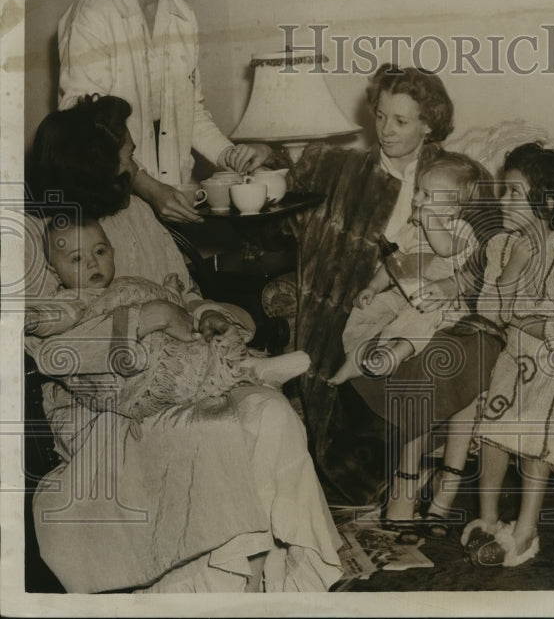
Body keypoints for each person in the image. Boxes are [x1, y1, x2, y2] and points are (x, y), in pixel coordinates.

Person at [24, 94, 342, 592]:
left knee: (271, 413)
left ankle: (290, 577)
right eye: (127, 155)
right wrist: (144, 318)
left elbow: (183, 293)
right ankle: (226, 583)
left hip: (188, 368)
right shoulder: (44, 236)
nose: (135, 165)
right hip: (106, 402)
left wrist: (206, 313)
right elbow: (44, 342)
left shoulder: (135, 213)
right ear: (93, 163)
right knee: (219, 432)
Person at [286, 63, 503, 508]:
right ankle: (395, 473)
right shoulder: (349, 173)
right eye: (380, 116)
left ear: (429, 125)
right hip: (371, 299)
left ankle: (426, 474)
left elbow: (491, 252)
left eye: (401, 121)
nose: (386, 130)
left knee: (435, 347)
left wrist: (457, 284)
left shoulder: (462, 175)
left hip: (448, 304)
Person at [58, 0, 270, 224]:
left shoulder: (182, 17)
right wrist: (149, 187)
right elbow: (85, 128)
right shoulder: (94, 13)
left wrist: (227, 154)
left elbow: (191, 111)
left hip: (174, 193)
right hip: (112, 199)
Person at [31, 215, 310, 421]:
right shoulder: (73, 300)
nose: (93, 262)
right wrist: (33, 318)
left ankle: (249, 367)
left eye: (100, 251)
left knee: (204, 345)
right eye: (77, 259)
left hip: (167, 348)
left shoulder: (127, 283)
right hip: (138, 377)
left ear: (112, 252)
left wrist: (171, 292)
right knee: (192, 361)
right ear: (56, 273)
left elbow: (165, 301)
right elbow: (53, 321)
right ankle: (250, 370)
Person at [455, 143, 554, 567]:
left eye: (512, 192)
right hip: (513, 353)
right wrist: (511, 277)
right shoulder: (501, 248)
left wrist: (514, 313)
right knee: (492, 427)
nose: (502, 200)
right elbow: (488, 311)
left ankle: (525, 529)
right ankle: (488, 519)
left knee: (532, 434)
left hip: (550, 360)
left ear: (544, 200)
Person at [328, 152, 488, 386]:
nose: (417, 199)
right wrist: (372, 287)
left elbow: (444, 249)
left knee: (419, 320)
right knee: (366, 309)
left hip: (437, 300)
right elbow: (394, 263)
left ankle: (396, 353)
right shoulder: (411, 228)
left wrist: (428, 220)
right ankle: (354, 357)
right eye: (417, 191)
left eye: (427, 195)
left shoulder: (460, 229)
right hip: (402, 292)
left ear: (452, 208)